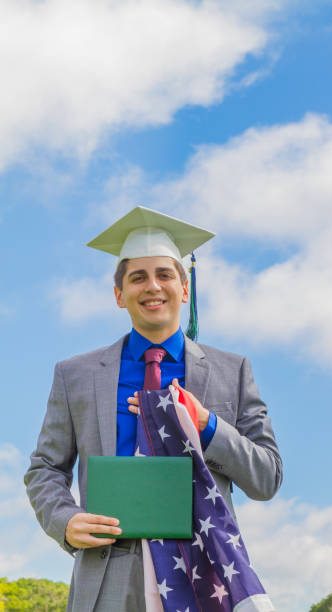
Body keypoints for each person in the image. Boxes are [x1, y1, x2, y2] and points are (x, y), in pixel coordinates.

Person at [24, 206, 283, 612]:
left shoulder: (232, 371)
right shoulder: (75, 374)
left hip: (204, 570)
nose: (152, 287)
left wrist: (208, 425)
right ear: (118, 294)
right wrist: (65, 520)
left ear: (184, 288)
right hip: (110, 571)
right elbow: (45, 467)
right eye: (137, 277)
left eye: (164, 275)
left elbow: (266, 477)